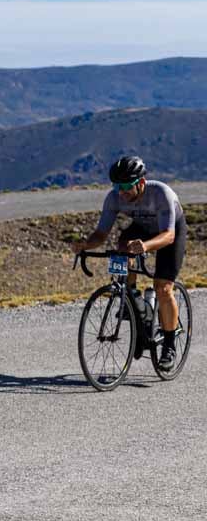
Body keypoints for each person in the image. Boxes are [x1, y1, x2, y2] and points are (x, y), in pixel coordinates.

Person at [71, 155, 186, 372]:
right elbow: (101, 234)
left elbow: (169, 235)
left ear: (141, 183)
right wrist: (85, 245)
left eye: (126, 186)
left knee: (162, 287)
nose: (121, 191)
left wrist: (145, 246)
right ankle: (129, 296)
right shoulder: (114, 198)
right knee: (121, 246)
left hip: (169, 232)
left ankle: (169, 345)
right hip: (142, 228)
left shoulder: (161, 194)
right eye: (117, 186)